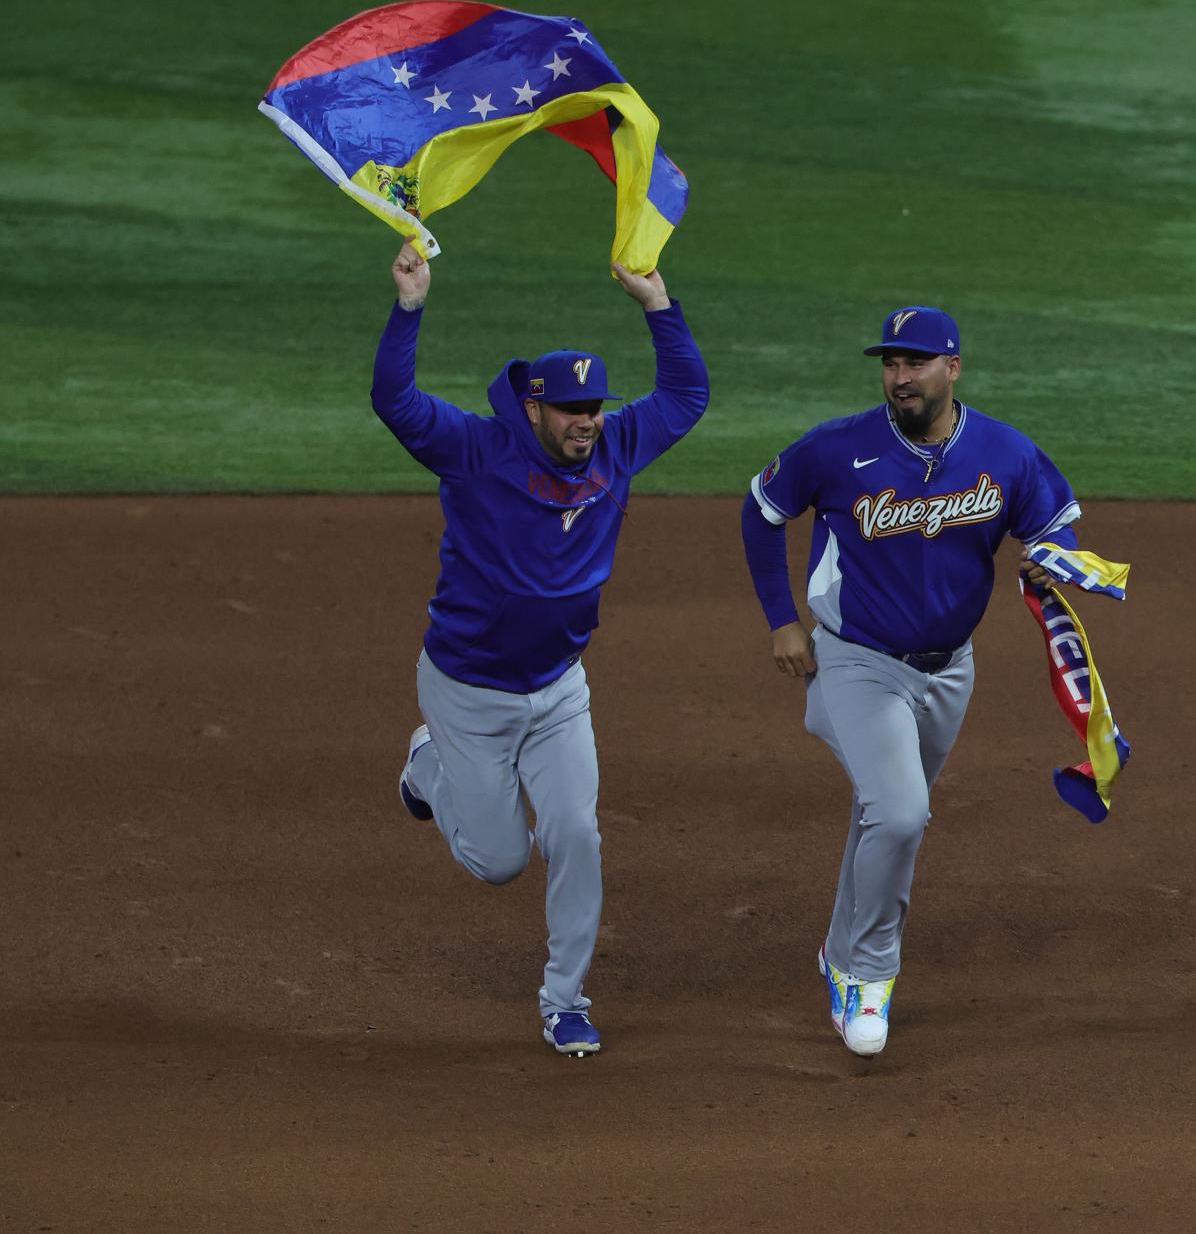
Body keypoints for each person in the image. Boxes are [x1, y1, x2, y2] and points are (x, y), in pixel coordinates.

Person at [375, 240, 709, 1057]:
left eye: (593, 408)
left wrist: (658, 306)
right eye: (570, 410)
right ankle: (428, 766)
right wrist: (408, 310)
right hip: (469, 691)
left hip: (559, 690)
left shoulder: (617, 448)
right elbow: (397, 402)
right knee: (499, 862)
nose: (586, 423)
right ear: (532, 409)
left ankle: (566, 998)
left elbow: (687, 393)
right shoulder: (476, 451)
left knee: (578, 834)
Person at [740, 306, 1082, 1058]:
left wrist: (1049, 556)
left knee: (883, 816)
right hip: (857, 662)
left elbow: (1057, 521)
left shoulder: (1003, 453)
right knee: (899, 814)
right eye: (890, 363)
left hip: (950, 671)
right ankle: (871, 974)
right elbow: (761, 510)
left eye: (915, 362)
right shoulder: (838, 449)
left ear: (952, 368)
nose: (899, 376)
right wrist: (781, 619)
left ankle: (837, 955)